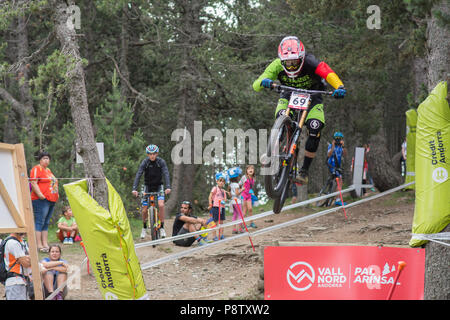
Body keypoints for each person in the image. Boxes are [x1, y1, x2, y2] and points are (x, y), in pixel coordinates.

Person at [253, 36, 346, 184]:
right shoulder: (276, 65)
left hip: (313, 96)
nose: (290, 66)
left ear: (301, 58)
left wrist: (339, 87)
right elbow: (256, 85)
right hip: (288, 94)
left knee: (315, 127)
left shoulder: (311, 62)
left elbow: (328, 73)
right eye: (287, 63)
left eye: (294, 62)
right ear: (282, 60)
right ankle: (272, 152)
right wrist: (265, 82)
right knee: (280, 116)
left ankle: (304, 171)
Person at [132, 144, 171, 239]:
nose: (152, 156)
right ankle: (144, 227)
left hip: (158, 186)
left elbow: (166, 173)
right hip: (147, 187)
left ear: (157, 154)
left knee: (161, 205)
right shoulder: (145, 162)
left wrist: (168, 187)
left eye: (154, 154)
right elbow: (139, 174)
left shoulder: (161, 162)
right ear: (147, 154)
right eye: (150, 154)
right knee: (144, 209)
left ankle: (161, 227)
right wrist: (134, 188)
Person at [30, 151, 59, 253]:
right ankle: (39, 244)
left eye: (48, 158)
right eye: (44, 158)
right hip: (41, 200)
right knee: (40, 221)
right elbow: (33, 182)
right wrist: (40, 195)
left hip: (51, 199)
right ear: (40, 159)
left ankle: (45, 243)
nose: (46, 160)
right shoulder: (36, 169)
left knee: (46, 222)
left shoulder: (48, 170)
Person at [2, 233, 31, 300]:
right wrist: (28, 258)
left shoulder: (22, 241)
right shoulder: (13, 243)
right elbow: (25, 263)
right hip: (15, 281)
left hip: (22, 281)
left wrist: (27, 258)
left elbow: (28, 260)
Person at [327, 132, 347, 205]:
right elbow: (329, 155)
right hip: (331, 165)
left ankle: (334, 195)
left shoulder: (340, 147)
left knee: (338, 180)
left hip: (337, 166)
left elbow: (345, 154)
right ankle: (338, 199)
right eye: (337, 139)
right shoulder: (330, 146)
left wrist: (343, 146)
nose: (338, 141)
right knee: (340, 180)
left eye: (340, 139)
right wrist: (332, 146)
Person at [208, 173, 227, 241]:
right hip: (215, 207)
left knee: (221, 222)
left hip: (222, 207)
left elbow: (225, 199)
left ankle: (221, 234)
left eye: (223, 181)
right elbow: (210, 196)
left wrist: (224, 201)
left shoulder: (223, 191)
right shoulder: (215, 188)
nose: (221, 182)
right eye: (220, 181)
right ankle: (214, 236)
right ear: (217, 181)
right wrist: (210, 204)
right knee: (215, 221)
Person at [227, 167, 244, 234]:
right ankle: (240, 228)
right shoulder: (236, 185)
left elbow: (230, 195)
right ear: (236, 177)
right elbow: (237, 193)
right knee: (240, 214)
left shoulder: (230, 185)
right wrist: (242, 189)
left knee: (235, 214)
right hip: (237, 201)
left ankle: (234, 229)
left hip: (232, 201)